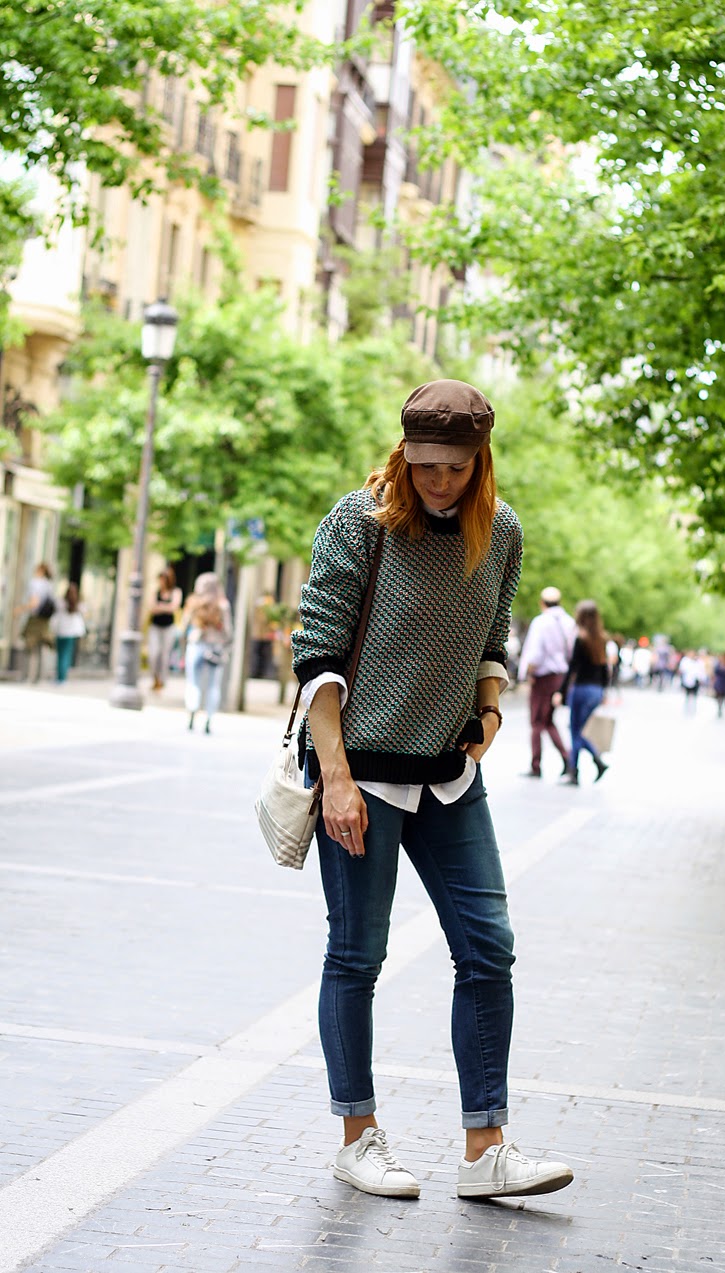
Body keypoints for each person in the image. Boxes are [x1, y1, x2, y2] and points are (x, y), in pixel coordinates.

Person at [291, 378, 574, 1202]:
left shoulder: (501, 531)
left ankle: (485, 1149)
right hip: (362, 774)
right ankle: (358, 1136)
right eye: (424, 465)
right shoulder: (359, 521)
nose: (438, 480)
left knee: (488, 947)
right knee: (357, 955)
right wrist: (335, 778)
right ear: (404, 453)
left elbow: (494, 633)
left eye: (454, 466)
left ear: (480, 461)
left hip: (450, 776)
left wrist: (489, 713)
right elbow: (317, 654)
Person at [517, 585, 575, 779]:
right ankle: (567, 759)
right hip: (560, 677)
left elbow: (535, 653)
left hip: (543, 677)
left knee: (536, 722)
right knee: (548, 720)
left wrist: (529, 674)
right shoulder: (569, 622)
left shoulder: (541, 622)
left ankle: (536, 765)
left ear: (542, 603)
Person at [560, 599, 610, 785]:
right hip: (596, 690)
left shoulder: (581, 639)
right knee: (579, 731)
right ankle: (587, 765)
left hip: (581, 689)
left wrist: (561, 691)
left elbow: (573, 668)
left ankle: (577, 771)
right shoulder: (602, 639)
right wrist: (604, 691)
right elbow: (605, 669)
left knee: (575, 731)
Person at [182, 573, 232, 733]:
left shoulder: (193, 602)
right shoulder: (223, 605)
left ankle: (192, 712)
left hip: (196, 645)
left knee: (193, 682)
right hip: (215, 648)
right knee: (213, 685)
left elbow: (184, 625)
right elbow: (228, 632)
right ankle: (209, 719)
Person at [17, 562, 55, 683]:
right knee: (40, 648)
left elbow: (34, 603)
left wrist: (19, 609)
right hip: (45, 621)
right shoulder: (48, 584)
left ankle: (26, 676)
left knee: (29, 647)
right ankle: (38, 677)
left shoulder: (35, 583)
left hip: (35, 620)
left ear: (40, 570)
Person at [147, 566, 182, 690]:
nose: (161, 582)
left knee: (164, 655)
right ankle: (154, 678)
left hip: (169, 627)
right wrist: (166, 607)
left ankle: (162, 680)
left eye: (163, 579)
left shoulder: (176, 592)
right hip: (155, 626)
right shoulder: (155, 592)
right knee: (154, 653)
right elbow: (152, 608)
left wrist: (159, 606)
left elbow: (174, 608)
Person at [51, 583, 86, 683]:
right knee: (66, 654)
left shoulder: (61, 602)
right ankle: (63, 677)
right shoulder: (78, 604)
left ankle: (59, 677)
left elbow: (55, 611)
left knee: (60, 654)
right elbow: (85, 612)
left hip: (61, 631)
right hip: (71, 633)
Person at [250, 592, 278, 679]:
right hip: (262, 635)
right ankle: (258, 672)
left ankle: (260, 672)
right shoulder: (264, 606)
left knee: (262, 655)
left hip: (264, 635)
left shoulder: (264, 606)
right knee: (261, 655)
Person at [678, 649, 704, 715]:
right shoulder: (685, 660)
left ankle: (693, 709)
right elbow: (682, 669)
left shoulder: (699, 662)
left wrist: (701, 678)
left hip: (695, 680)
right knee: (687, 695)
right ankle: (687, 708)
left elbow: (701, 671)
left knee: (694, 696)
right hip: (687, 680)